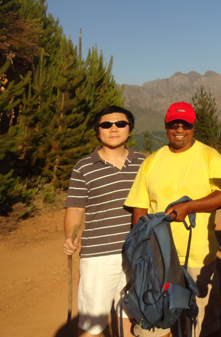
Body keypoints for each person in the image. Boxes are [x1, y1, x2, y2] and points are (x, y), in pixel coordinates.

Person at [125, 101, 221, 337]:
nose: (179, 130)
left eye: (184, 125)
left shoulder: (209, 156)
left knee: (201, 323)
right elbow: (140, 209)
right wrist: (140, 250)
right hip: (159, 258)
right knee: (154, 321)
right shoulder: (151, 162)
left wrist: (190, 206)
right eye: (174, 124)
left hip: (199, 255)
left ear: (193, 127)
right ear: (166, 126)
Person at [62, 105, 145, 337]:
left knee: (130, 318)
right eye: (106, 124)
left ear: (130, 130)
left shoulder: (143, 164)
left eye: (121, 124)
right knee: (92, 324)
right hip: (98, 255)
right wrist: (70, 237)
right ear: (97, 131)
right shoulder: (84, 167)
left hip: (137, 253)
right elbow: (75, 209)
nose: (114, 128)